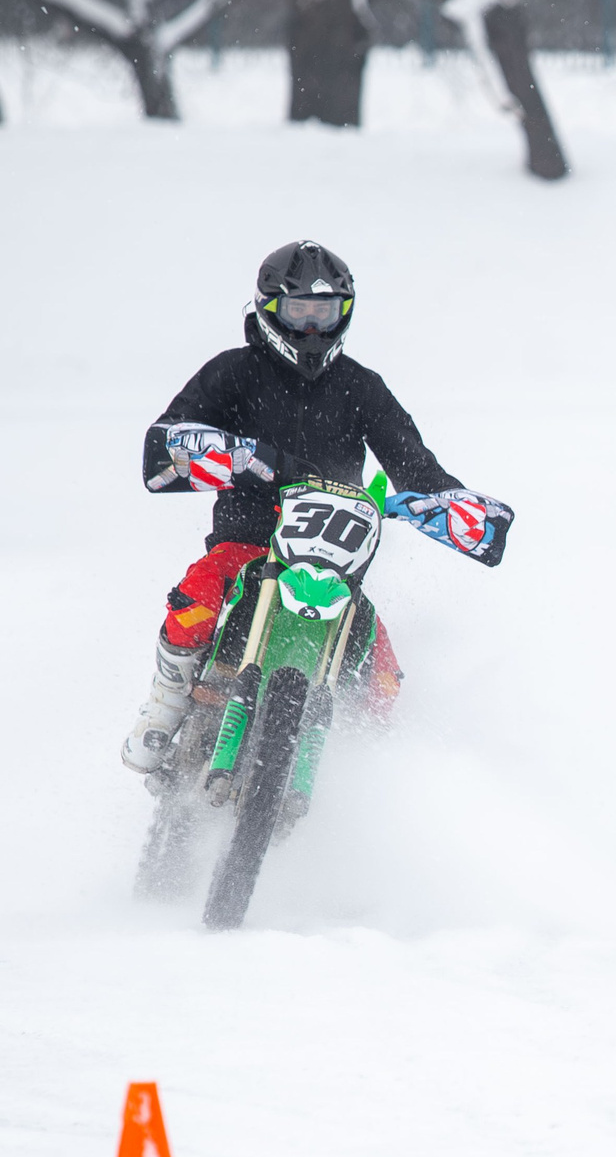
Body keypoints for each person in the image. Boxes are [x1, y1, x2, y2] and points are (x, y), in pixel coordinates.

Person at [122, 240, 513, 775]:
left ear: (343, 313)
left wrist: (450, 504)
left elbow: (415, 464)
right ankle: (163, 708)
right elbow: (167, 441)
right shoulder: (233, 372)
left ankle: (359, 775)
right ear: (270, 309)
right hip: (248, 542)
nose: (311, 328)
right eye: (299, 311)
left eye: (324, 313)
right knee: (198, 596)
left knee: (383, 680)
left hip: (331, 563)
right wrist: (245, 457)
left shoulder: (361, 387)